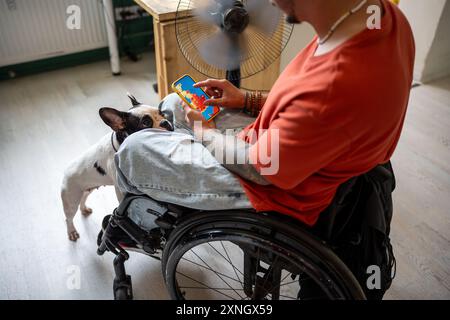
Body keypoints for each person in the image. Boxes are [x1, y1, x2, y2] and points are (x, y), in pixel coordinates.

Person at [115, 0, 415, 229]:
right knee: (175, 102)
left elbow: (260, 169)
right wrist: (246, 99)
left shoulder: (335, 87)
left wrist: (204, 133)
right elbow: (307, 105)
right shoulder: (382, 16)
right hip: (292, 151)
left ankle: (132, 221)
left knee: (133, 149)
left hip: (275, 189)